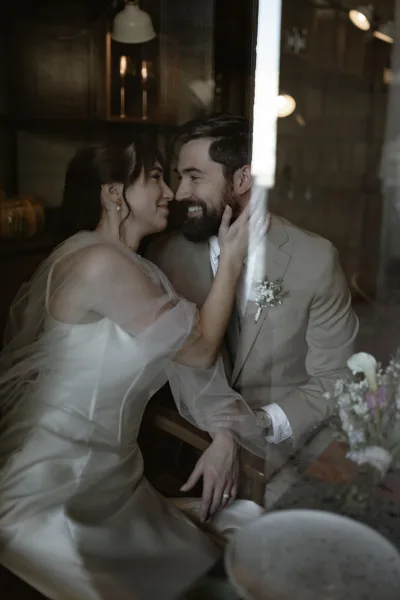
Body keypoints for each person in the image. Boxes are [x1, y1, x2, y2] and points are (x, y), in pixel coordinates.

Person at [0, 138, 267, 600]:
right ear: (114, 193)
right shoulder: (100, 264)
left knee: (211, 562)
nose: (171, 192)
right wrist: (234, 261)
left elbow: (189, 362)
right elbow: (200, 350)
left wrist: (223, 434)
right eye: (156, 177)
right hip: (64, 486)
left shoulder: (130, 265)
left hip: (115, 476)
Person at [146, 113, 360, 488]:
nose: (180, 194)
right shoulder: (164, 257)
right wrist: (219, 433)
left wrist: (255, 425)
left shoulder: (315, 258)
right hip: (185, 447)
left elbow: (335, 379)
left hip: (290, 451)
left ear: (243, 179)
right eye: (180, 178)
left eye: (195, 178)